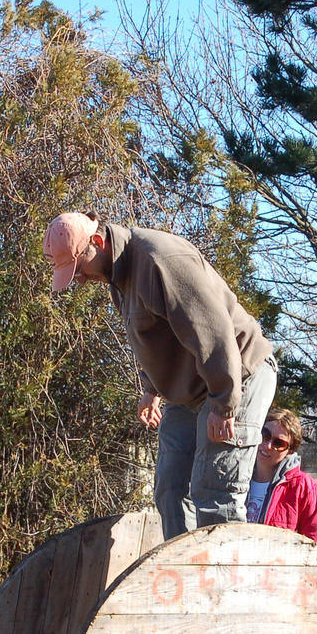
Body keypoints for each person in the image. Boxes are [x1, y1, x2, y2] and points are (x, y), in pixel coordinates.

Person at [44, 211, 277, 539]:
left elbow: (214, 331)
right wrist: (151, 388)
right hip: (191, 390)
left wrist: (224, 403)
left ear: (97, 242)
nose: (79, 279)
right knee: (170, 491)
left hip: (237, 375)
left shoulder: (161, 260)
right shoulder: (119, 274)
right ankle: (185, 579)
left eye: (78, 268)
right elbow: (155, 335)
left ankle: (228, 587)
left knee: (216, 494)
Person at [246, 407, 317, 548]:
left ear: (290, 451)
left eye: (279, 443)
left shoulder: (306, 488)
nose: (267, 445)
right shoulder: (233, 478)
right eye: (264, 434)